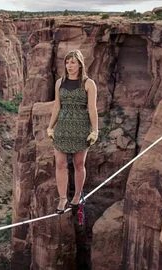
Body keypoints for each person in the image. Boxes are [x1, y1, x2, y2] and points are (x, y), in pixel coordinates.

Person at [47, 49, 98, 214]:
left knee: (78, 164)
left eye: (73, 62)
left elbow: (92, 109)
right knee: (60, 164)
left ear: (80, 64)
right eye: (67, 62)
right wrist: (50, 126)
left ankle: (77, 196)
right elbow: (57, 106)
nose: (69, 65)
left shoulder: (89, 84)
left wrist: (95, 130)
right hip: (62, 127)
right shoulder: (59, 83)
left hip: (81, 127)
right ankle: (62, 199)